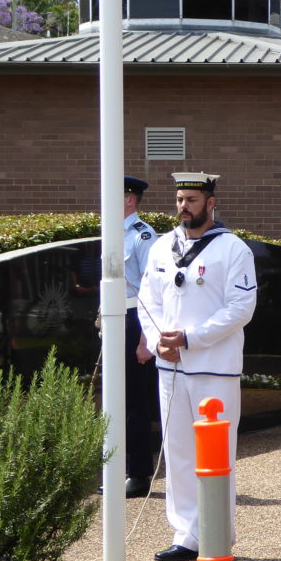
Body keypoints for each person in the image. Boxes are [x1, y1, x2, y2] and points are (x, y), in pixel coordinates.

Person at [139, 172, 257, 561]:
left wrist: (190, 338)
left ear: (210, 203)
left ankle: (216, 535)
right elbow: (147, 301)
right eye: (179, 199)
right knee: (177, 451)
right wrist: (159, 341)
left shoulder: (232, 249)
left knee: (217, 452)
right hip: (170, 367)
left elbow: (241, 309)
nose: (183, 206)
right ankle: (186, 534)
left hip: (214, 368)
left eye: (191, 199)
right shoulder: (160, 247)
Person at [122, 176, 159, 499]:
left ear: (130, 199)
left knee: (135, 401)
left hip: (135, 320)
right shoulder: (112, 233)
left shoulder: (142, 235)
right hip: (113, 319)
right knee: (116, 400)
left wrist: (145, 338)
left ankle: (139, 473)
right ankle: (121, 467)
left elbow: (152, 290)